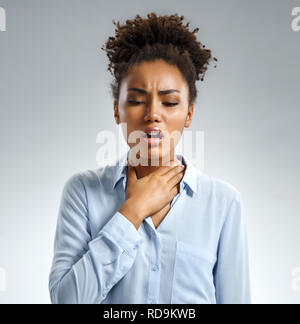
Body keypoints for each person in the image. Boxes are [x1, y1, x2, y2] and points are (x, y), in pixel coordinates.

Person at [48, 12, 251, 304]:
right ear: (117, 109)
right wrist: (132, 211)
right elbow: (66, 300)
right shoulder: (83, 192)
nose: (152, 114)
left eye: (169, 102)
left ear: (189, 114)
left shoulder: (223, 202)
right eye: (136, 100)